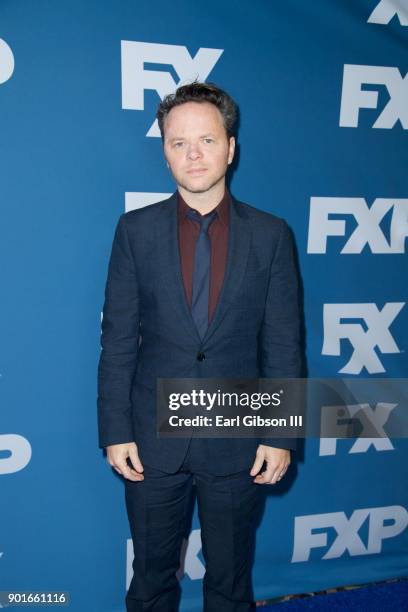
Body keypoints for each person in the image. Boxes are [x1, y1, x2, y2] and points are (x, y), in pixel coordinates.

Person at [97, 81, 301, 612]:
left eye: (207, 140)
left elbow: (282, 342)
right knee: (151, 581)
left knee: (231, 583)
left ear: (231, 148)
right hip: (152, 438)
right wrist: (116, 430)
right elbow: (118, 339)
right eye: (177, 142)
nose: (193, 154)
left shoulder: (272, 235)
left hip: (235, 434)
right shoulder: (135, 231)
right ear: (164, 153)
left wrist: (279, 434)